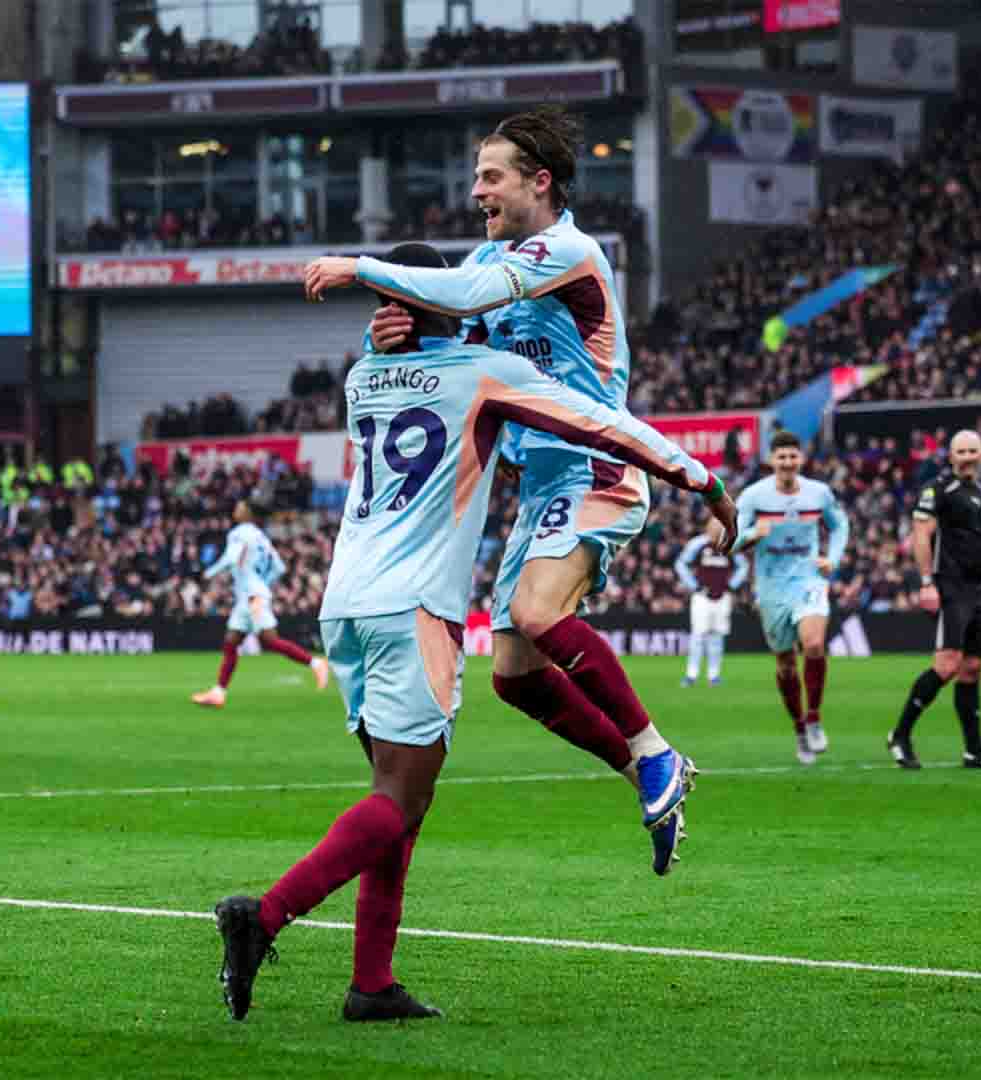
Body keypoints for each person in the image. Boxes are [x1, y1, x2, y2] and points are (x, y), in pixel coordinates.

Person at [216, 242, 736, 1023]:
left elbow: (402, 355)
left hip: (344, 603)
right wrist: (700, 478)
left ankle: (372, 984)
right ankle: (263, 918)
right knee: (397, 798)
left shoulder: (363, 378)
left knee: (402, 799)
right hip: (416, 607)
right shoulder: (486, 372)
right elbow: (602, 424)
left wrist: (383, 331)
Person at [302, 107, 699, 863]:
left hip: (595, 465)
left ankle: (651, 748)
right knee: (515, 677)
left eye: (491, 176)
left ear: (539, 182)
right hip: (544, 478)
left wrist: (358, 267)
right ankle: (646, 773)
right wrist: (380, 334)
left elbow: (456, 301)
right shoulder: (490, 269)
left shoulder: (569, 251)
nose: (476, 190)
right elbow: (438, 335)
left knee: (533, 612)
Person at [888, 430, 981, 770]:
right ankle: (900, 735)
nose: (968, 456)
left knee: (972, 669)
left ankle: (974, 751)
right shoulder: (938, 490)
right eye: (961, 451)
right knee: (947, 665)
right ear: (951, 455)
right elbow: (921, 534)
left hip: (977, 590)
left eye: (973, 450)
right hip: (951, 586)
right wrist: (927, 582)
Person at [719, 432, 849, 765]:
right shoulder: (753, 496)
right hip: (771, 587)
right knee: (786, 663)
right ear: (771, 460)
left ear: (801, 459)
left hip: (808, 579)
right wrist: (751, 535)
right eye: (782, 457)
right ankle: (800, 728)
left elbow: (840, 525)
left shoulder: (818, 493)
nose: (788, 463)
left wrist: (831, 558)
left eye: (793, 456)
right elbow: (727, 543)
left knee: (815, 645)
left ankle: (815, 717)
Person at [191, 498, 329, 707]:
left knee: (269, 640)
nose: (235, 509)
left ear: (249, 513)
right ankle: (218, 692)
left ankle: (316, 663)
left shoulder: (239, 532)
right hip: (251, 595)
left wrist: (207, 574)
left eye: (240, 507)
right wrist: (261, 583)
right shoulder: (262, 538)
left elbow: (230, 558)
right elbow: (279, 568)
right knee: (232, 641)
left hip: (252, 596)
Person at [674, 531, 748, 687]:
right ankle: (691, 675)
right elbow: (681, 563)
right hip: (702, 596)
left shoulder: (731, 543)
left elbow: (743, 566)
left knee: (717, 636)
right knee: (698, 636)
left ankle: (714, 675)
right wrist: (694, 586)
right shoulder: (698, 544)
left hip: (722, 597)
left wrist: (731, 585)